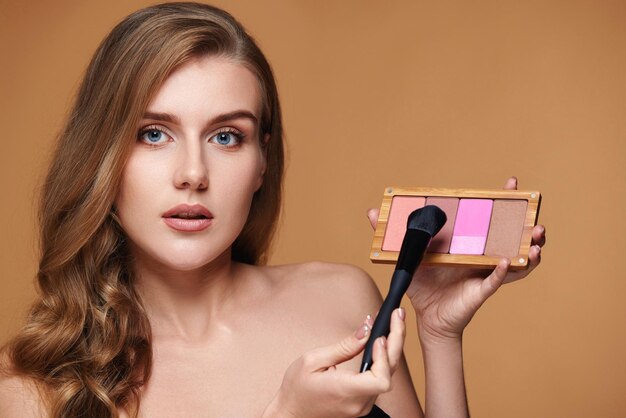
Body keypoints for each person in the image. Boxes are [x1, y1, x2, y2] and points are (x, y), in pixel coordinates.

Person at [0, 3, 546, 417]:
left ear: (263, 162)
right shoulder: (28, 390)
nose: (192, 173)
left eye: (226, 137)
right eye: (153, 133)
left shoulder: (342, 302)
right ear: (102, 155)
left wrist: (440, 337)